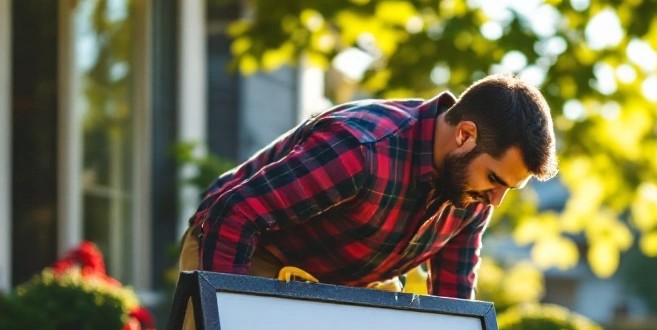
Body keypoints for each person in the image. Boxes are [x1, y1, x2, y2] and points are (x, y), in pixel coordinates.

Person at [180, 74, 558, 299]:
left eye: (508, 188)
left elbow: (454, 294)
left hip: (341, 281)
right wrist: (230, 318)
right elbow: (235, 214)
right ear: (464, 135)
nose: (495, 201)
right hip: (247, 249)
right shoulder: (362, 149)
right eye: (495, 179)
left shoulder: (471, 191)